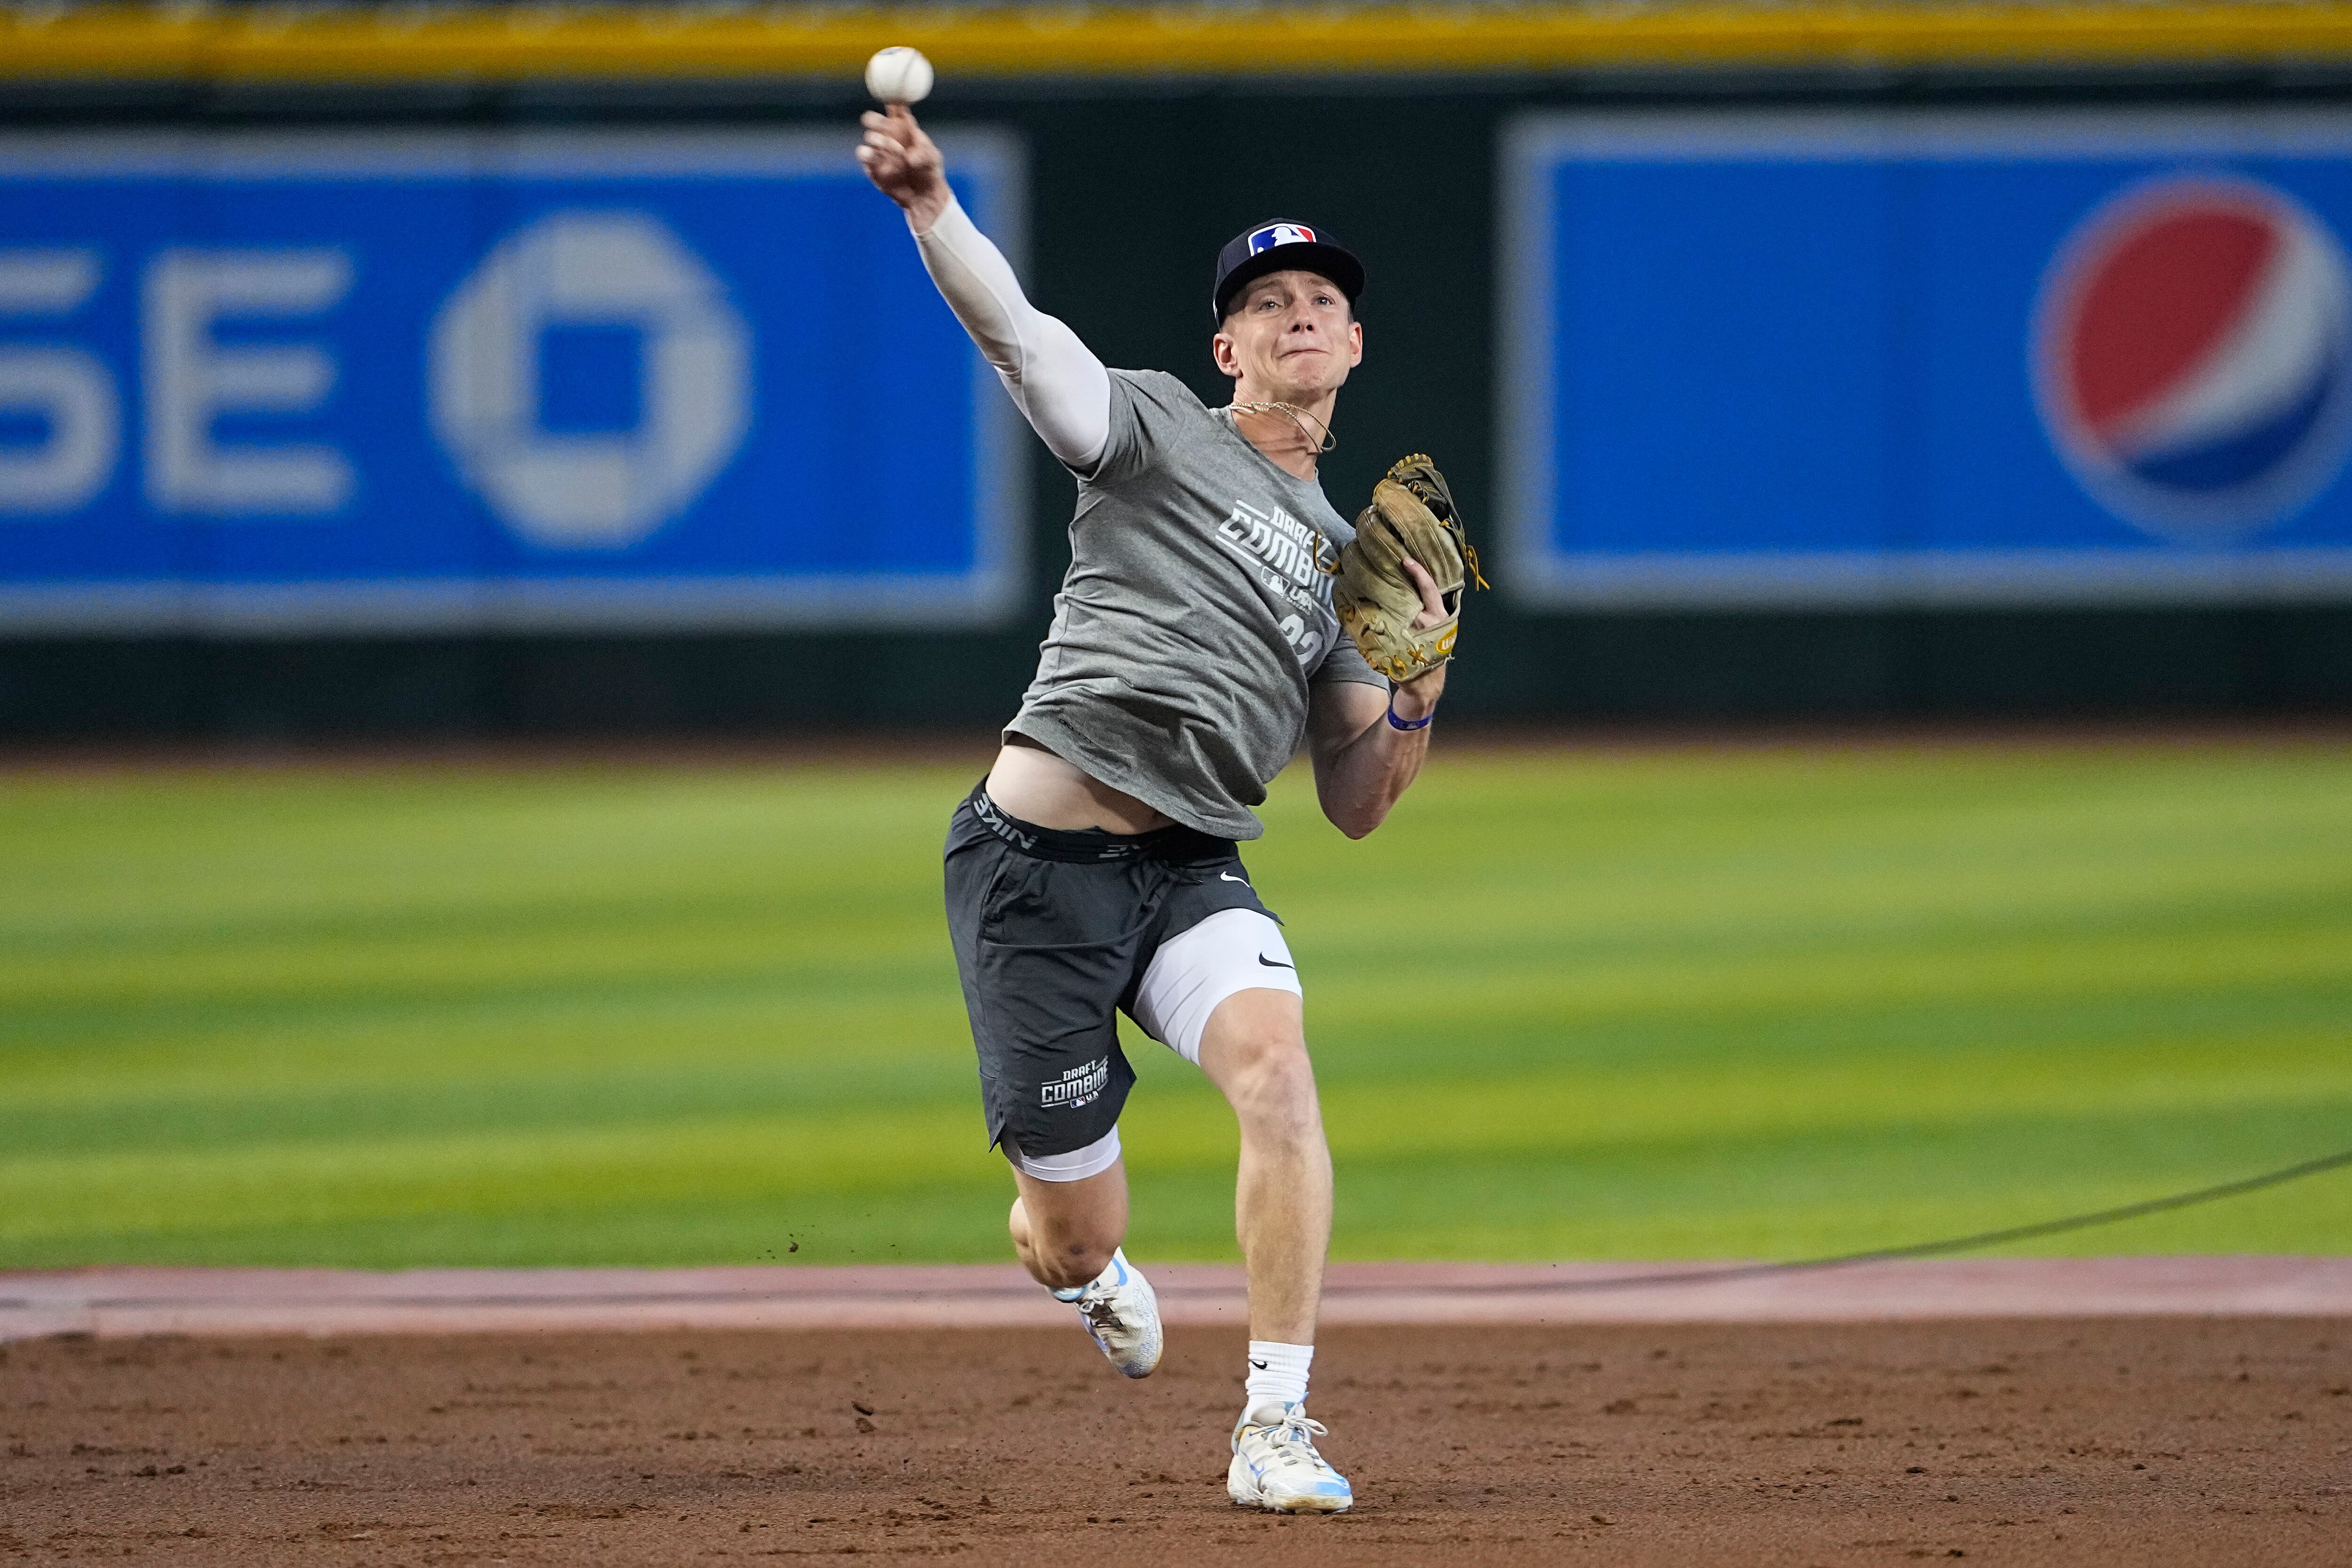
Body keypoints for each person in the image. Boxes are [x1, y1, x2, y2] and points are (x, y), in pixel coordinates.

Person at [858, 104, 1453, 1515]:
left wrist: (1418, 685)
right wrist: (932, 206)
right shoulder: (1153, 429)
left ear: (1354, 345)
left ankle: (1275, 1428)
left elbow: (1359, 802)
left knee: (1279, 1074)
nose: (1299, 315)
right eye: (1267, 303)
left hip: (1192, 865)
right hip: (1034, 870)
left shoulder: (1349, 561)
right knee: (1074, 1236)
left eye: (1321, 300)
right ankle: (1081, 1266)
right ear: (1226, 350)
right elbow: (1018, 337)